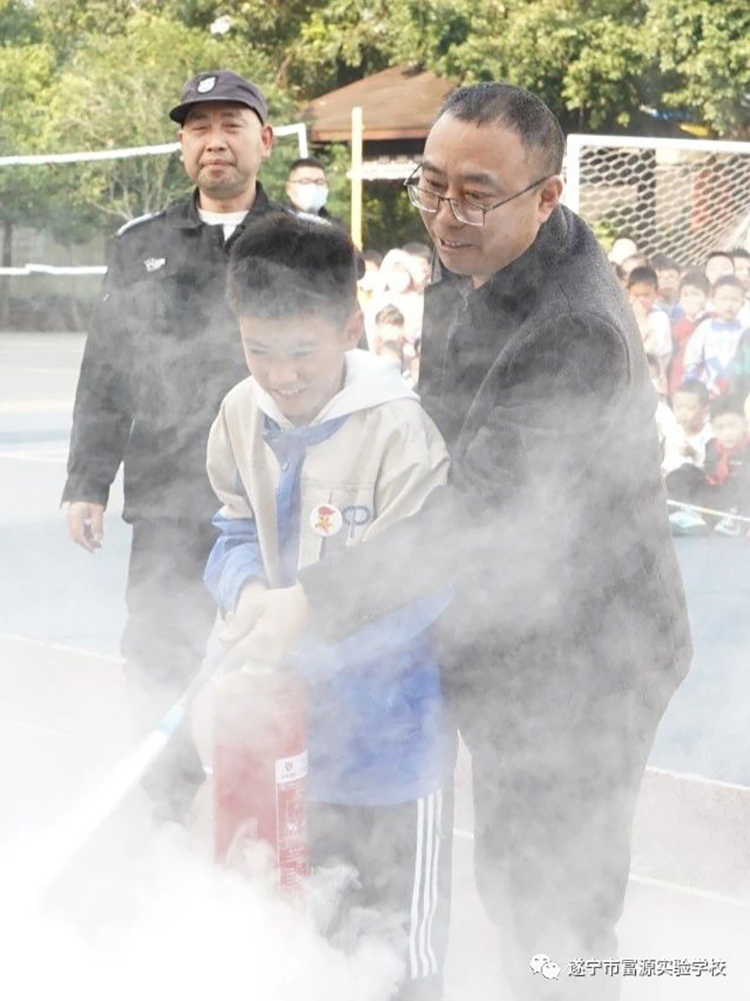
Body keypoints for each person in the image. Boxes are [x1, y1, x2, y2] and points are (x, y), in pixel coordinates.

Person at [228, 83, 691, 1001]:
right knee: (512, 872)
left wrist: (315, 599)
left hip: (590, 652)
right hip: (503, 620)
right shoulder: (470, 251)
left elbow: (479, 516)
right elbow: (438, 441)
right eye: (431, 185)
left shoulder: (575, 331)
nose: (444, 215)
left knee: (554, 896)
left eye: (475, 195)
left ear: (548, 197)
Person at [203, 212, 453, 1001]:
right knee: (303, 938)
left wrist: (301, 641)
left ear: (350, 326)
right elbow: (231, 527)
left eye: (302, 352)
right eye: (258, 350)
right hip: (288, 742)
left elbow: (424, 582)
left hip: (390, 750)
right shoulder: (240, 412)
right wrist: (246, 590)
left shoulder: (398, 428)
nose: (279, 376)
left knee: (397, 959)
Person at [63, 69, 279, 822]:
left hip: (274, 499)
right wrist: (87, 481)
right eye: (198, 127)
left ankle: (269, 817)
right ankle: (167, 810)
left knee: (274, 660)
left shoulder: (301, 244)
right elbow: (106, 367)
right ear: (183, 145)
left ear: (264, 140)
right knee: (157, 655)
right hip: (166, 499)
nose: (213, 141)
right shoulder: (140, 245)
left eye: (230, 124)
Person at [683, 274, 748, 398]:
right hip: (708, 389)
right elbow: (691, 358)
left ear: (742, 303)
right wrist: (695, 378)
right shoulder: (705, 327)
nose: (729, 304)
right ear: (713, 300)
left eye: (734, 300)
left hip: (738, 390)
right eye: (724, 299)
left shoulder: (745, 331)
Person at [667, 269, 710, 397]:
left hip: (706, 385)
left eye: (695, 294)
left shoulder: (713, 322)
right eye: (685, 295)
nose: (689, 299)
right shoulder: (675, 326)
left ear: (707, 297)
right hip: (678, 384)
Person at [627, 265, 672, 375]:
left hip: (655, 372)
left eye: (646, 295)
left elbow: (653, 349)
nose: (641, 300)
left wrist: (642, 319)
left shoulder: (660, 317)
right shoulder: (625, 316)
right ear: (629, 293)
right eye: (636, 295)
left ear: (656, 293)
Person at [285, 155, 340, 224]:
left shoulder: (335, 226)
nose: (313, 187)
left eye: (320, 182)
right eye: (305, 182)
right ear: (289, 189)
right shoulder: (277, 224)